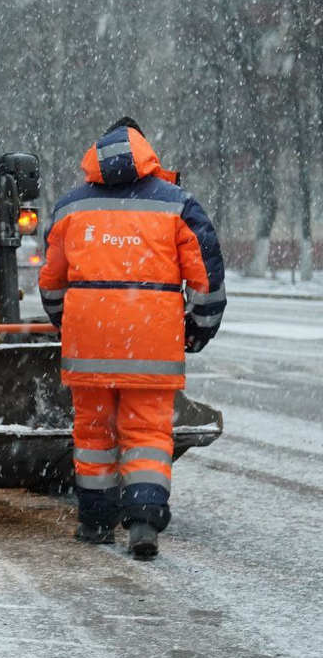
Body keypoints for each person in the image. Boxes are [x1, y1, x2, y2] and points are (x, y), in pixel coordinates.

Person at [38, 117, 226, 559]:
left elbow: (51, 283)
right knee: (146, 433)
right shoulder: (177, 206)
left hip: (89, 347)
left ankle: (95, 521)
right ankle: (143, 520)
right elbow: (206, 278)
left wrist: (71, 325)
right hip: (152, 345)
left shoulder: (70, 209)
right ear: (147, 153)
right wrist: (198, 329)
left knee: (93, 432)